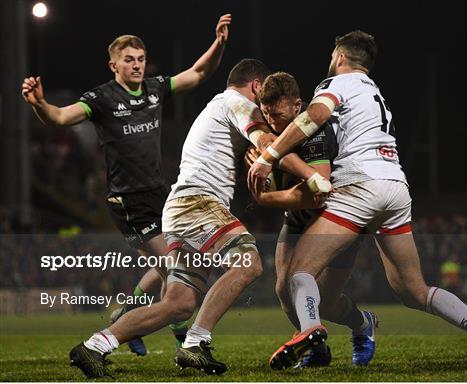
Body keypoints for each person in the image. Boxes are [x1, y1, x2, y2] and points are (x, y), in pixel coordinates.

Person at [248, 31, 467, 369]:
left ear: (340, 56)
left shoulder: (337, 84)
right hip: (396, 188)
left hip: (359, 187)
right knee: (414, 291)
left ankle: (311, 330)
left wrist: (268, 156)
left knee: (300, 272)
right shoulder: (373, 91)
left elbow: (314, 117)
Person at [67, 59, 332, 378]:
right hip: (198, 202)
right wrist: (311, 176)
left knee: (178, 304)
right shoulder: (236, 102)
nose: (264, 109)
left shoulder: (219, 107)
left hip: (182, 206)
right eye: (263, 100)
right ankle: (196, 343)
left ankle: (93, 347)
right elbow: (268, 144)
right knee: (249, 263)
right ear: (257, 87)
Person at [22, 15, 232, 356]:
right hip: (128, 201)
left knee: (175, 264)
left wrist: (219, 44)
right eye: (129, 60)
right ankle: (177, 333)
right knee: (176, 273)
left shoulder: (154, 88)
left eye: (140, 59)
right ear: (113, 65)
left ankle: (129, 313)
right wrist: (40, 105)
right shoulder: (101, 98)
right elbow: (59, 118)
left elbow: (197, 74)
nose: (136, 65)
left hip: (160, 194)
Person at [246, 72, 377, 368]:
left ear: (296, 107)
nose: (272, 122)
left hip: (338, 215)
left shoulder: (315, 130)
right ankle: (316, 347)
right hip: (297, 218)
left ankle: (362, 324)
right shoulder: (275, 130)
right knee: (283, 289)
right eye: (266, 114)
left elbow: (317, 192)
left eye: (277, 115)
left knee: (328, 303)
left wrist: (266, 197)